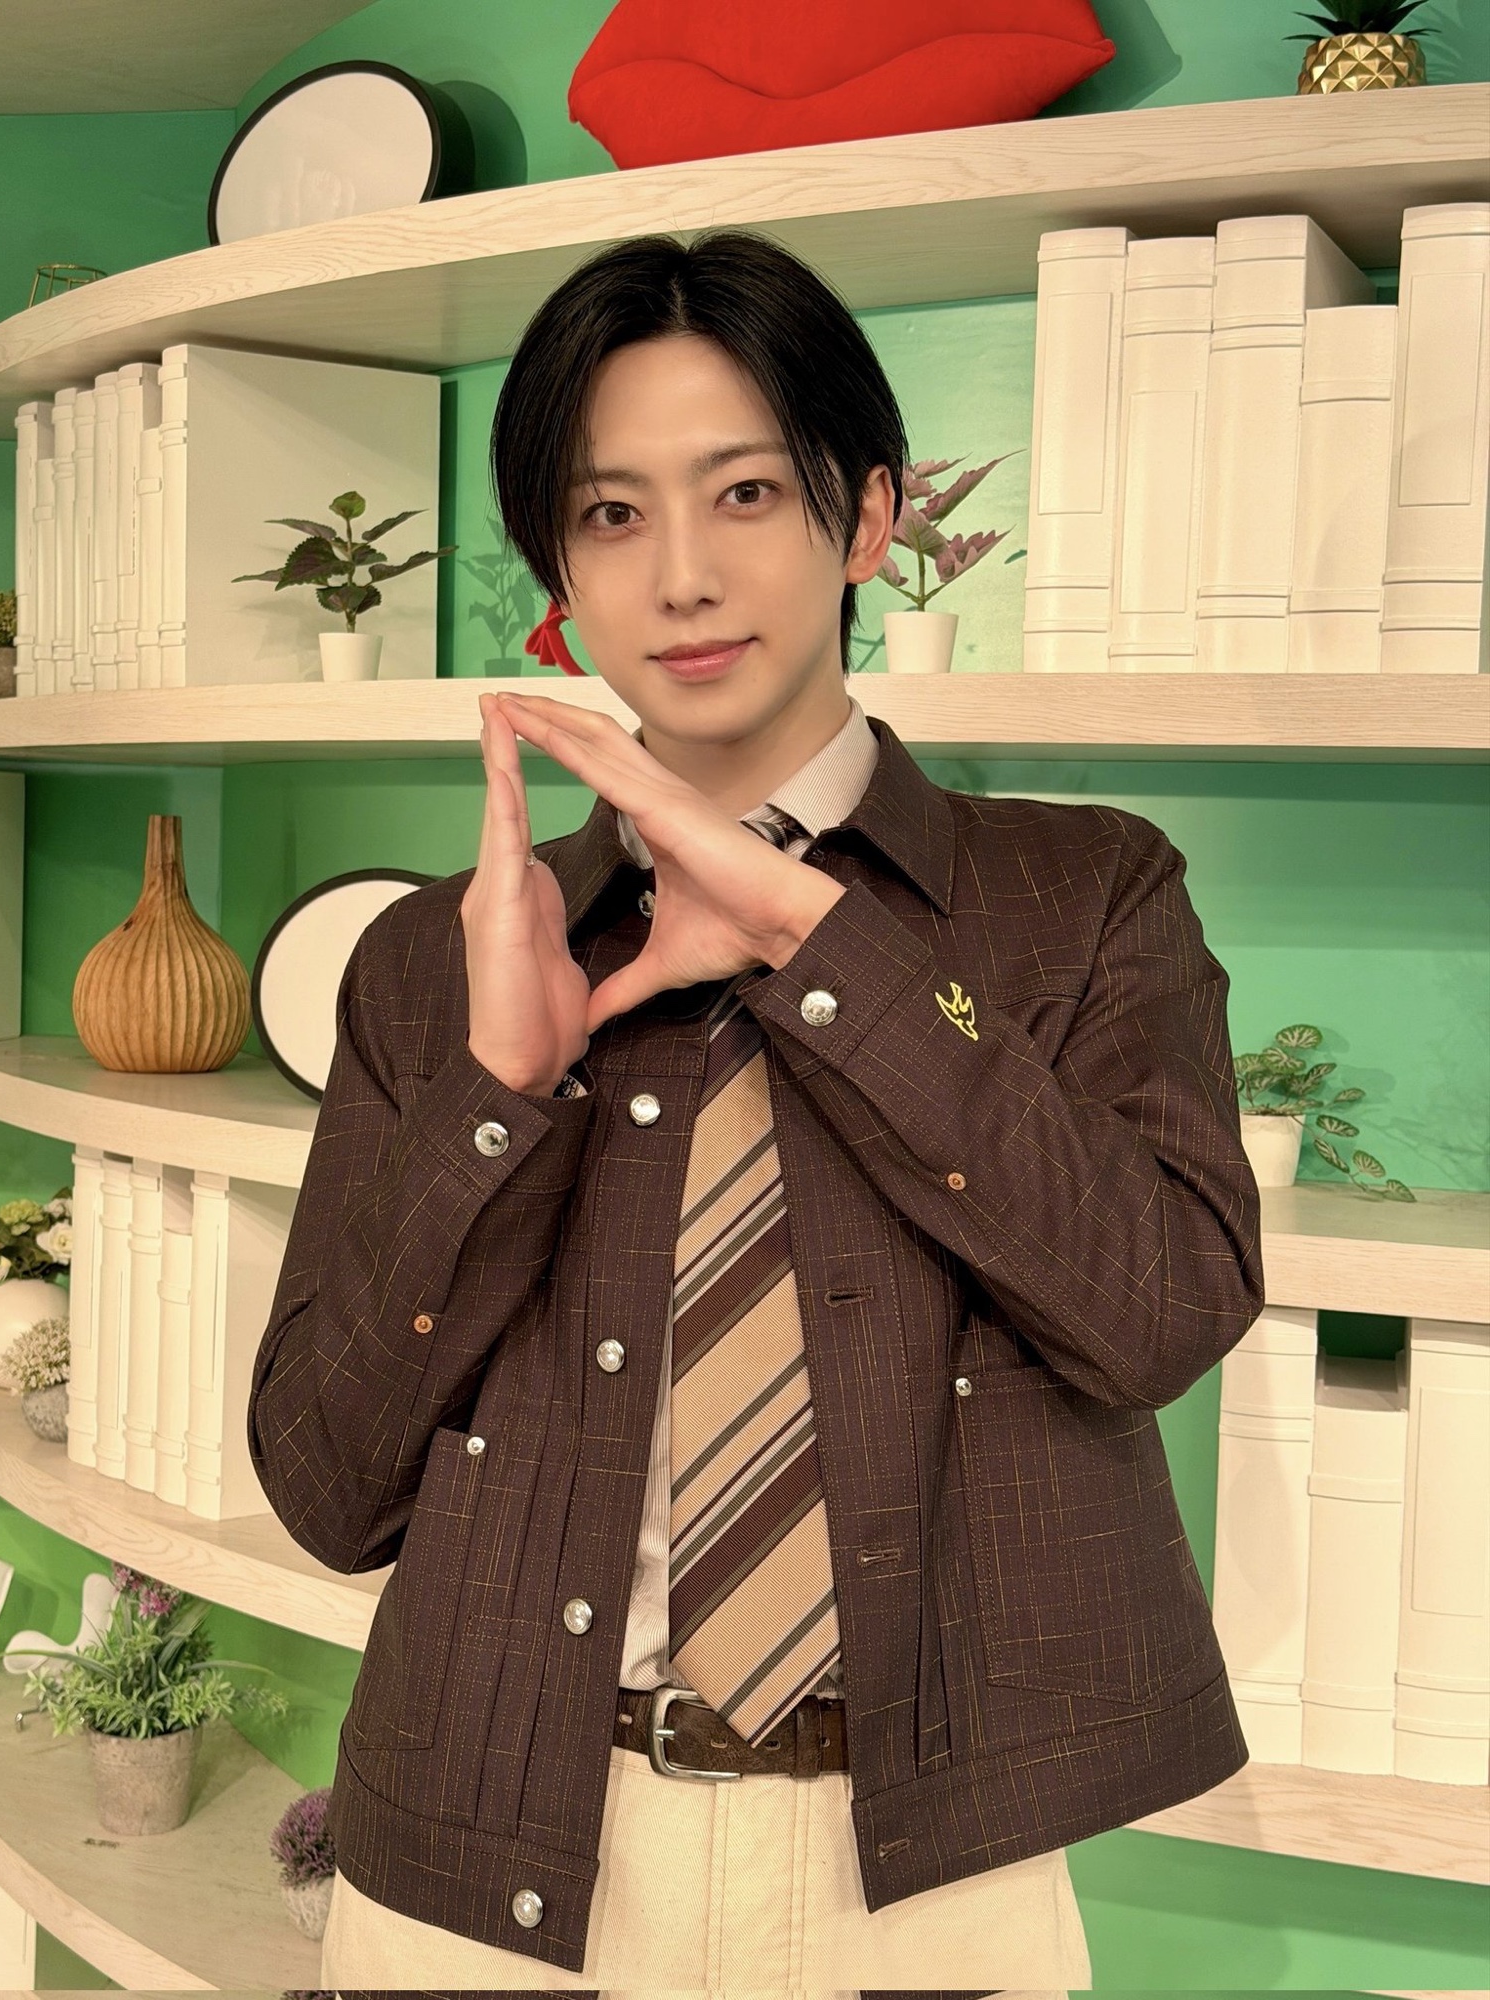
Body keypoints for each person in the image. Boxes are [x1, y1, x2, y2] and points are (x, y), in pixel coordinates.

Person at [249, 227, 1265, 1999]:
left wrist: (821, 942)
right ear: (561, 571)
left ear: (866, 518)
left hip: (926, 1875)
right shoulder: (440, 957)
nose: (683, 576)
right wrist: (501, 1094)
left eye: (745, 492)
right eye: (612, 514)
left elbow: (1163, 1310)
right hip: (479, 1851)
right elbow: (329, 1488)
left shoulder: (1084, 897)